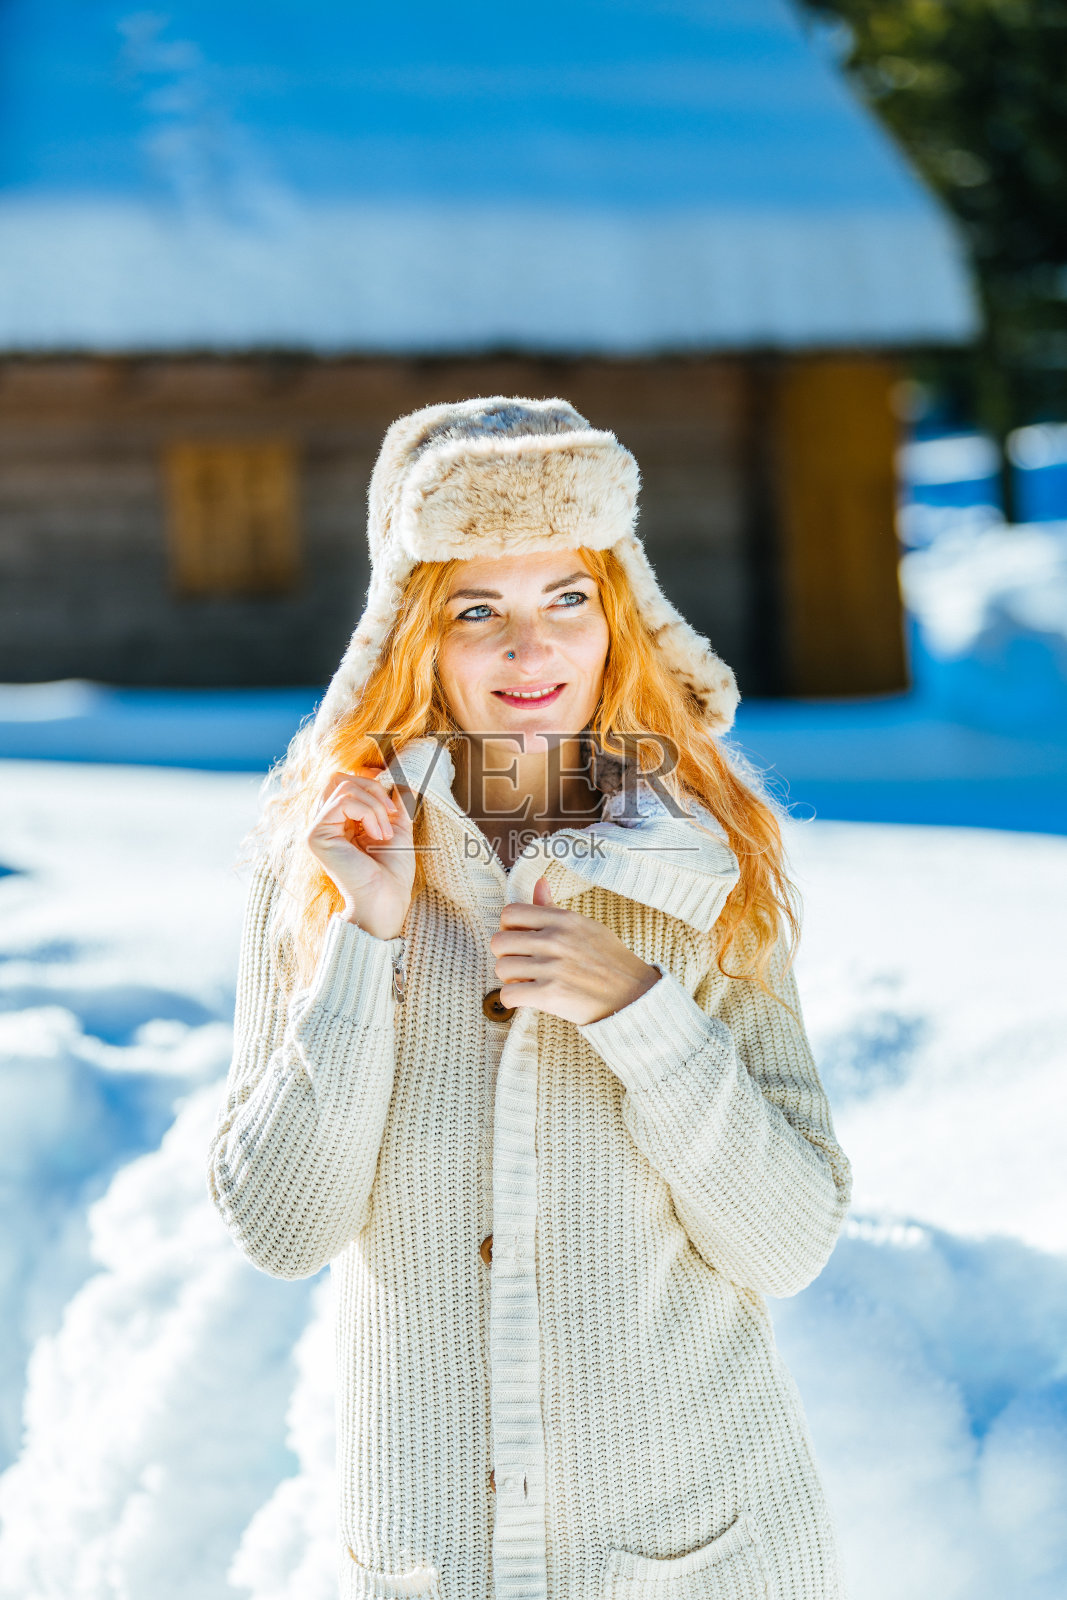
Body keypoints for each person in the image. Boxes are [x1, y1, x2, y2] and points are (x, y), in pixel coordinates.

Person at [206, 396, 853, 1600]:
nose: (529, 651)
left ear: (620, 618)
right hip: (437, 1564)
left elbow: (784, 1242)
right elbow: (283, 1230)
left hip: (699, 1554)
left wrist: (643, 1014)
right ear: (408, 635)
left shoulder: (707, 859)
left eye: (567, 599)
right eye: (475, 611)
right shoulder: (322, 860)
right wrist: (369, 937)